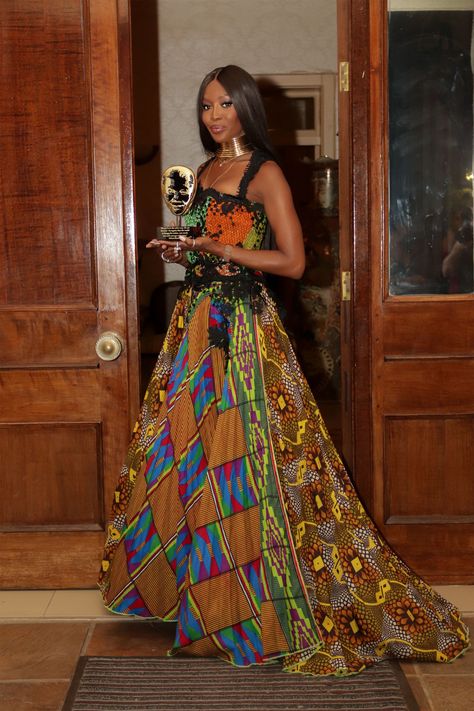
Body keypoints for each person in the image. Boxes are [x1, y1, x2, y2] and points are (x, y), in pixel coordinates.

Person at [98, 65, 470, 676]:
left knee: (239, 466)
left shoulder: (263, 171)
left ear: (247, 107)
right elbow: (204, 241)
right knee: (182, 456)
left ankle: (245, 614)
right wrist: (181, 249)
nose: (214, 116)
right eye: (206, 106)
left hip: (243, 327)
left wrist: (220, 249)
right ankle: (198, 603)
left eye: (224, 105)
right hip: (193, 326)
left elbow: (293, 262)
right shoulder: (204, 171)